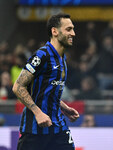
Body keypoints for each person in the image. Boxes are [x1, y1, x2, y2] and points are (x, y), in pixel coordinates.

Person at [12, 13, 79, 150]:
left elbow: (45, 90)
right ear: (54, 31)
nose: (73, 33)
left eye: (72, 29)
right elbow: (18, 87)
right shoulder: (42, 55)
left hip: (58, 128)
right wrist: (38, 113)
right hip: (35, 130)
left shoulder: (62, 59)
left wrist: (64, 107)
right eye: (68, 29)